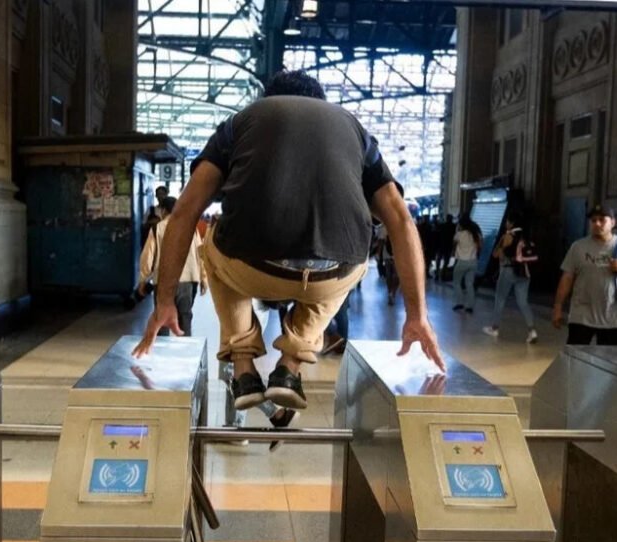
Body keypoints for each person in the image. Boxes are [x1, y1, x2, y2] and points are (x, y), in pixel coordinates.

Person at [132, 70, 445, 412]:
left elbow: (185, 213)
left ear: (268, 99)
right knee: (353, 266)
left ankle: (243, 366)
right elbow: (401, 220)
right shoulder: (355, 130)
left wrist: (165, 302)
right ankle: (290, 367)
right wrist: (417, 315)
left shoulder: (241, 122)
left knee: (213, 248)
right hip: (331, 274)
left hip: (252, 265)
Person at [552, 205, 617, 346]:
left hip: (614, 317)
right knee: (576, 360)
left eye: (602, 220)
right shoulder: (578, 247)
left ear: (613, 222)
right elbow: (567, 278)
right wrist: (558, 307)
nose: (597, 224)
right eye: (593, 220)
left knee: (612, 363)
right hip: (581, 315)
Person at [138, 196, 206, 336]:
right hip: (188, 279)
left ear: (163, 210)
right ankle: (186, 351)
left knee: (162, 319)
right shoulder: (191, 228)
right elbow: (201, 254)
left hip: (163, 280)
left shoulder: (157, 228)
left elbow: (148, 256)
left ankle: (164, 352)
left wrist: (143, 280)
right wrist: (203, 278)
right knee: (185, 317)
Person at [483, 212, 540, 343]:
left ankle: (495, 328)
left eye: (507, 221)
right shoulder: (527, 236)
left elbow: (496, 254)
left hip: (508, 271)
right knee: (523, 302)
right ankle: (532, 331)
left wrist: (500, 244)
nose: (505, 224)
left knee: (500, 298)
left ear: (512, 223)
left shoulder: (508, 236)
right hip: (524, 272)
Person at [451, 215, 482, 313]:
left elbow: (454, 245)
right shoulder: (475, 234)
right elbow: (481, 245)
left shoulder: (459, 234)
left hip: (462, 262)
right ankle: (470, 306)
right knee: (469, 284)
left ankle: (460, 303)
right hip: (473, 261)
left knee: (456, 282)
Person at [434, 214, 456, 280]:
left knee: (439, 259)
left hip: (441, 245)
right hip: (448, 246)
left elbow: (436, 227)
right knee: (446, 261)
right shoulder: (453, 226)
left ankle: (437, 273)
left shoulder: (442, 226)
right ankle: (443, 274)